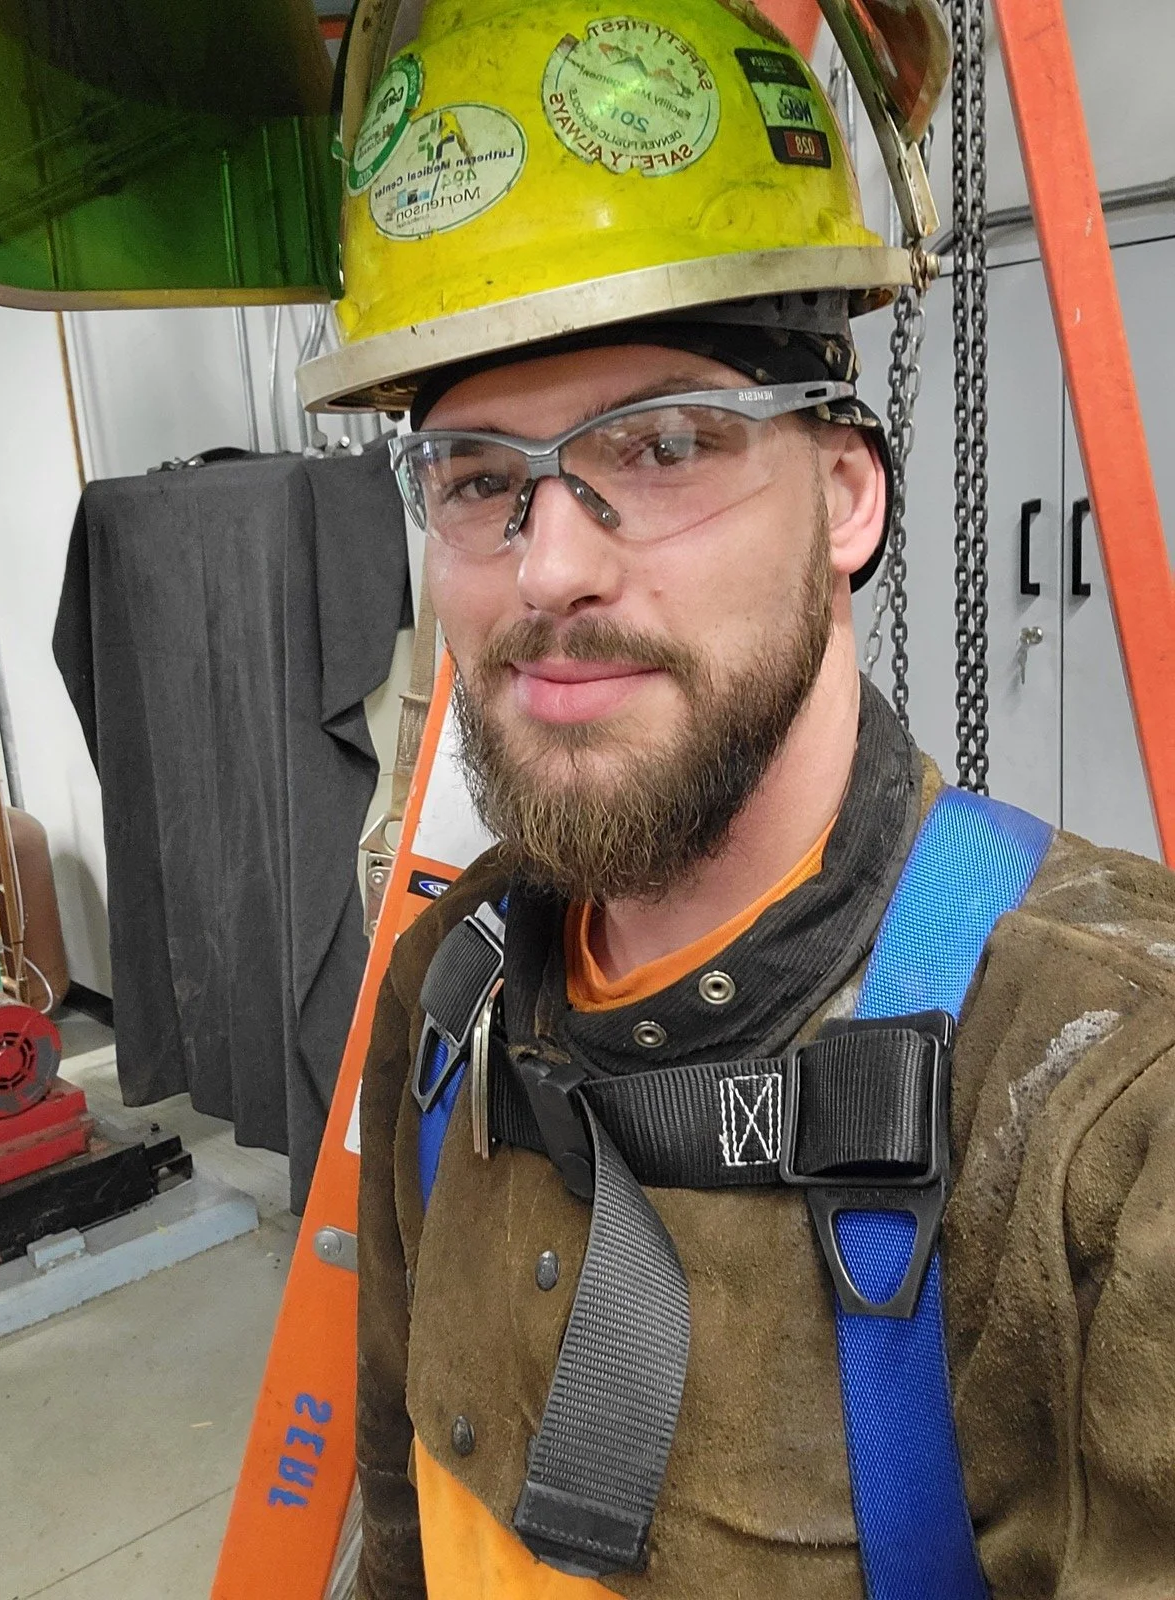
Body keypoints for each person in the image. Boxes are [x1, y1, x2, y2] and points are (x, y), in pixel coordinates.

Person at [300, 3, 1175, 1595]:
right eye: (482, 477)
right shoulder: (448, 1003)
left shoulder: (1105, 1125)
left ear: (847, 493)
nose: (548, 565)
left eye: (663, 443)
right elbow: (391, 1535)